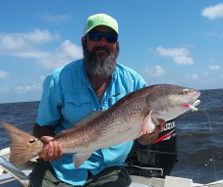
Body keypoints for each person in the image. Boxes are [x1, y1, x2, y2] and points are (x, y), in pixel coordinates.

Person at [28, 13, 163, 187]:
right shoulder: (58, 79)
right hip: (62, 168)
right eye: (95, 36)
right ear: (84, 41)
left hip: (110, 171)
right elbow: (42, 127)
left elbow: (144, 139)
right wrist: (44, 146)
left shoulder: (135, 82)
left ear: (117, 44)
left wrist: (151, 135)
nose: (102, 42)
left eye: (110, 37)